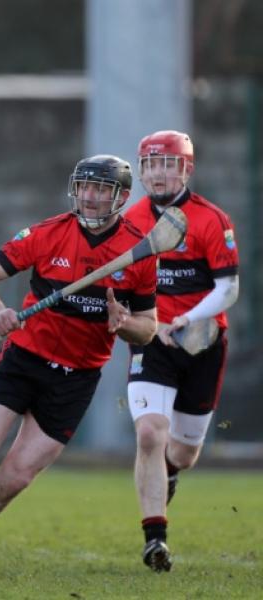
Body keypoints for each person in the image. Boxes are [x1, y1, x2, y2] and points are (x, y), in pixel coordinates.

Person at [0, 155, 158, 582]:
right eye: (84, 187)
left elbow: (148, 330)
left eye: (101, 190)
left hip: (76, 380)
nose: (90, 197)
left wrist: (125, 323)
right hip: (23, 361)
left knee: (16, 478)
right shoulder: (48, 233)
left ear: (122, 198)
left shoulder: (139, 251)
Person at [123, 130, 240, 573]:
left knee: (185, 454)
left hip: (201, 343)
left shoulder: (212, 220)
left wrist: (186, 320)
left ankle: (170, 473)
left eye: (166, 165)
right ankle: (156, 538)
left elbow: (228, 288)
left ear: (186, 169)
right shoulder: (132, 219)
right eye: (150, 165)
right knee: (150, 432)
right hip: (152, 343)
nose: (157, 174)